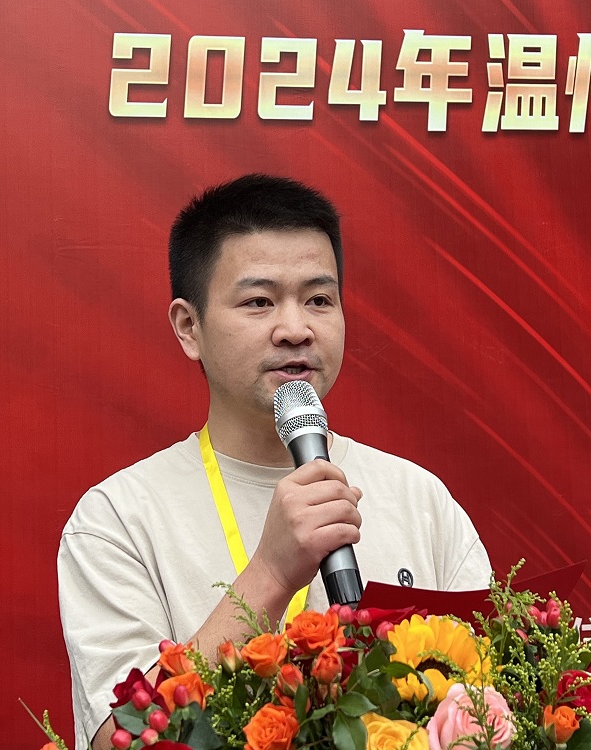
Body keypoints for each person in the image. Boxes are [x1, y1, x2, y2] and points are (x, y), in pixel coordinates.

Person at [58, 174, 493, 750]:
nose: (295, 329)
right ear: (190, 327)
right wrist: (271, 572)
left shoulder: (420, 499)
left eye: (319, 300)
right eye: (259, 302)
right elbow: (123, 739)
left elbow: (496, 705)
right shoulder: (116, 519)